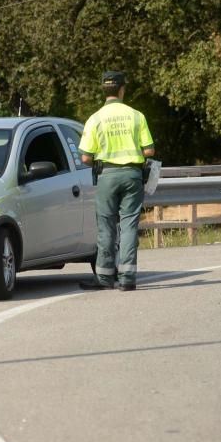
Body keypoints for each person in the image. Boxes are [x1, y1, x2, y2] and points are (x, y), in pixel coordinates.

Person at [77, 70, 155, 292]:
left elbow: (85, 157)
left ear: (104, 90)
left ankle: (103, 277)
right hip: (132, 175)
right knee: (129, 225)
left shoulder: (95, 119)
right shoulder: (136, 116)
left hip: (107, 176)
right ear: (122, 89)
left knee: (106, 226)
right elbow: (149, 150)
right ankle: (128, 277)